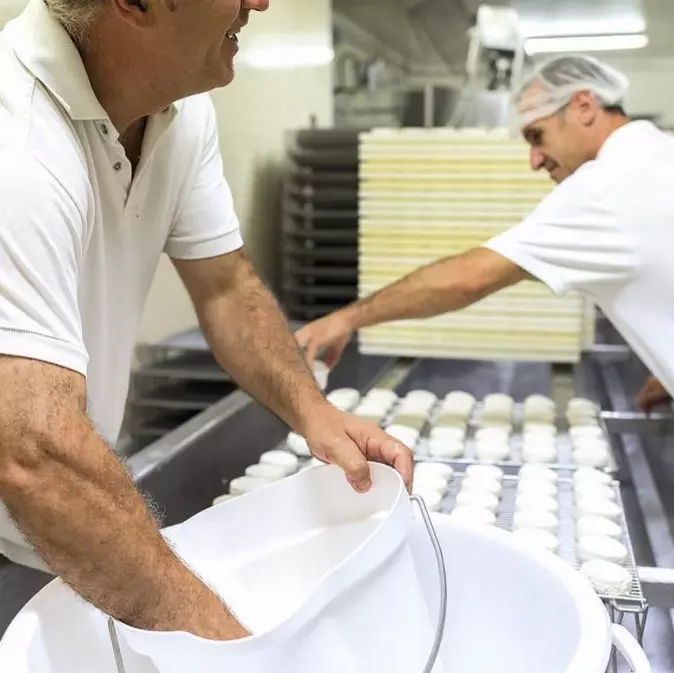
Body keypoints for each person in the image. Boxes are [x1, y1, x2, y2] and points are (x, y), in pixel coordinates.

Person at [0, 0, 412, 641]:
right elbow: (35, 456)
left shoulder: (179, 111)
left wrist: (314, 413)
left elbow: (226, 286)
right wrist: (229, 647)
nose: (260, 3)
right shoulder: (18, 143)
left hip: (47, 507)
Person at [297, 54, 674, 488]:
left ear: (584, 106)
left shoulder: (607, 186)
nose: (534, 160)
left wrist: (346, 318)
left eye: (537, 136)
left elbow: (469, 278)